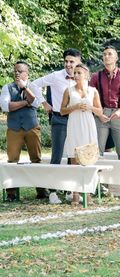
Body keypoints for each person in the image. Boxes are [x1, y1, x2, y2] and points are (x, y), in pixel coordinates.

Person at [31, 48, 82, 203]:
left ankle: (68, 190)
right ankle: (52, 191)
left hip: (76, 120)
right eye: (66, 61)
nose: (68, 64)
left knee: (72, 155)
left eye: (71, 61)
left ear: (78, 62)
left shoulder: (82, 77)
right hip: (59, 119)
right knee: (57, 155)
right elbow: (33, 84)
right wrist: (44, 103)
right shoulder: (55, 76)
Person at [0, 61, 46, 202]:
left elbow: (37, 103)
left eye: (20, 71)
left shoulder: (33, 86)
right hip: (14, 128)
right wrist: (26, 103)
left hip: (31, 127)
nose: (17, 73)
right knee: (12, 161)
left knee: (36, 159)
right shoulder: (7, 87)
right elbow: (6, 107)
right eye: (15, 71)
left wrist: (25, 88)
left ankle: (41, 191)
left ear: (27, 73)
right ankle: (11, 194)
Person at [60, 64, 103, 205]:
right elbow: (62, 111)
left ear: (86, 75)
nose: (76, 75)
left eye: (79, 72)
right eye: (75, 72)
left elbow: (100, 111)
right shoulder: (69, 90)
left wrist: (90, 107)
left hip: (88, 124)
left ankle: (88, 194)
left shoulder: (93, 91)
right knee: (74, 159)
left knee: (89, 159)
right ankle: (75, 194)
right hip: (74, 125)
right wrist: (75, 106)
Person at [89, 45, 120, 159]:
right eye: (104, 54)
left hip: (118, 115)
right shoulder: (95, 77)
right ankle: (97, 176)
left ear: (116, 58)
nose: (106, 56)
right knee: (97, 152)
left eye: (110, 54)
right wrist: (99, 114)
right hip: (100, 115)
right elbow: (89, 98)